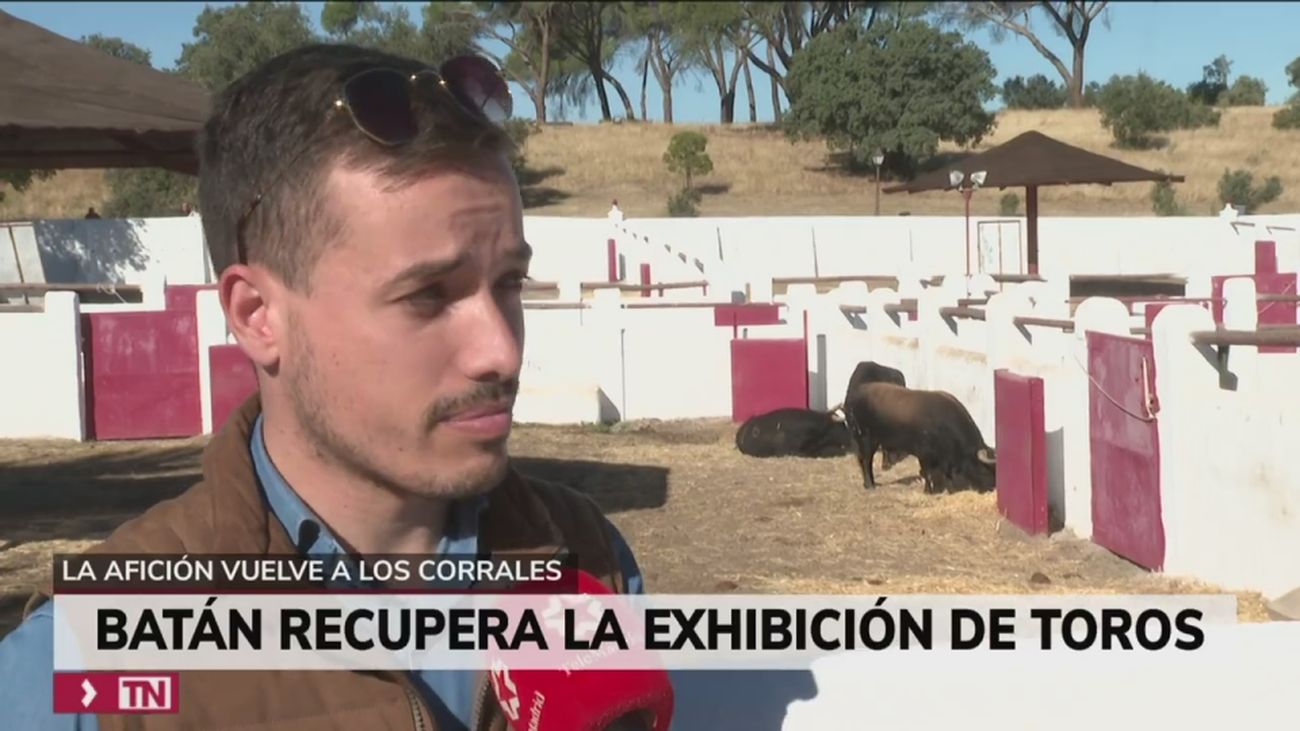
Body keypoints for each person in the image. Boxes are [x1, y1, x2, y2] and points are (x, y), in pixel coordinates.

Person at [0, 43, 644, 731]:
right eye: (427, 295)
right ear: (257, 315)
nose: (501, 350)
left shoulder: (590, 558)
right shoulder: (84, 662)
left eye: (509, 282)